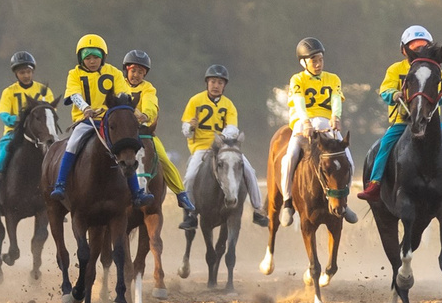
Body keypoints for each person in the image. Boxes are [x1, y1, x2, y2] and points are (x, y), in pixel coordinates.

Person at [361, 26, 442, 200]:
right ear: (405, 50)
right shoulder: (395, 69)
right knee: (385, 144)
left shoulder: (436, 70)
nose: (420, 50)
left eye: (423, 46)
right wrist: (394, 94)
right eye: (415, 47)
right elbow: (385, 89)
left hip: (430, 122)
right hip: (402, 121)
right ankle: (374, 184)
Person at [180, 63, 269, 234]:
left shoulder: (229, 105)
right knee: (190, 176)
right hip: (201, 147)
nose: (216, 86)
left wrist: (223, 138)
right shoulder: (195, 101)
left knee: (249, 170)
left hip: (224, 147)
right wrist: (191, 127)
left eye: (220, 83)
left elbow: (232, 128)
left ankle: (258, 210)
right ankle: (190, 213)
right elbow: (186, 131)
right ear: (207, 83)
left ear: (224, 86)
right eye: (213, 81)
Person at [277, 37, 356, 225]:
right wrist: (305, 122)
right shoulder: (297, 79)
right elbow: (299, 101)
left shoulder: (333, 79)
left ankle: (344, 201)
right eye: (314, 61)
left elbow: (336, 98)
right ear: (303, 62)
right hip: (303, 124)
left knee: (348, 161)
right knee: (290, 157)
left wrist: (336, 116)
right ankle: (287, 202)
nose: (318, 64)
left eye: (320, 59)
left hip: (327, 123)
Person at [52, 35, 131, 203]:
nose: (92, 61)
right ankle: (60, 183)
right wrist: (86, 108)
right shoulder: (74, 74)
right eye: (87, 58)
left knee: (128, 146)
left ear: (103, 57)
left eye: (96, 57)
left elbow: (123, 95)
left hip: (110, 122)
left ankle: (137, 192)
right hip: (86, 121)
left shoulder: (115, 73)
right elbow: (74, 94)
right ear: (81, 59)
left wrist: (109, 110)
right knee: (72, 144)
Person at [117, 51, 191, 215]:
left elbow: (151, 105)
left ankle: (181, 193)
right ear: (126, 70)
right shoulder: (118, 84)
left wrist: (146, 115)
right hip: (119, 132)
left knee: (163, 158)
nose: (136, 75)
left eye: (141, 72)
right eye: (133, 70)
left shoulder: (148, 88)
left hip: (142, 132)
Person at [0, 52, 55, 207]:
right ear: (16, 74)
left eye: (28, 72)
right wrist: (15, 120)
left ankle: (55, 200)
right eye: (22, 72)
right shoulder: (9, 92)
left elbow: (50, 112)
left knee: (54, 159)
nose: (26, 75)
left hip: (39, 134)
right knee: (0, 160)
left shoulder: (43, 91)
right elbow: (2, 113)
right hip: (13, 133)